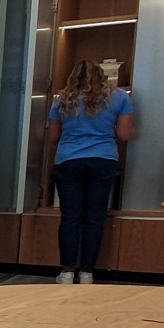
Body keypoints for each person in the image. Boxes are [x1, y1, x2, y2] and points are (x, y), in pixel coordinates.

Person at [47, 60, 135, 284]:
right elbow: (124, 135)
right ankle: (87, 272)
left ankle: (67, 272)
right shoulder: (120, 97)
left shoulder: (61, 100)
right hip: (103, 159)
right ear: (102, 76)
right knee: (94, 218)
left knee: (70, 217)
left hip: (68, 160)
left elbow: (53, 137)